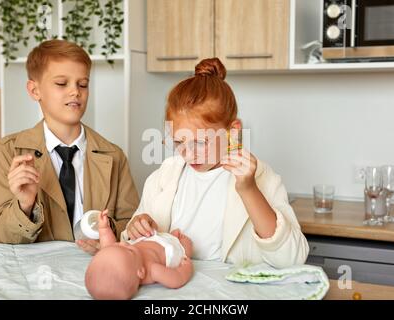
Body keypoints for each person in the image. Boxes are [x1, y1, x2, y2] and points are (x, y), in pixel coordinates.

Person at [123, 58, 309, 268]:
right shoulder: (163, 177)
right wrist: (137, 228)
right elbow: (132, 246)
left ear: (233, 131)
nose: (189, 155)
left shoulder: (262, 177)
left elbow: (291, 259)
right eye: (178, 142)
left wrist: (249, 190)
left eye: (201, 142)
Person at [0, 40, 139, 249]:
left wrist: (107, 233)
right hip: (38, 273)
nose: (75, 92)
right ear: (34, 90)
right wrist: (25, 205)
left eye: (83, 84)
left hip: (96, 270)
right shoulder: (8, 151)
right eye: (61, 83)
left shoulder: (114, 155)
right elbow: (2, 234)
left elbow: (131, 225)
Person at [85, 210, 193, 300]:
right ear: (141, 272)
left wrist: (103, 229)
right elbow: (176, 279)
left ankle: (168, 236)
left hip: (148, 239)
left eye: (118, 247)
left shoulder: (124, 259)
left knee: (153, 235)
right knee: (185, 250)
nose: (122, 243)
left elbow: (108, 246)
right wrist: (186, 268)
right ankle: (178, 242)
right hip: (168, 248)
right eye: (129, 251)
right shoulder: (152, 270)